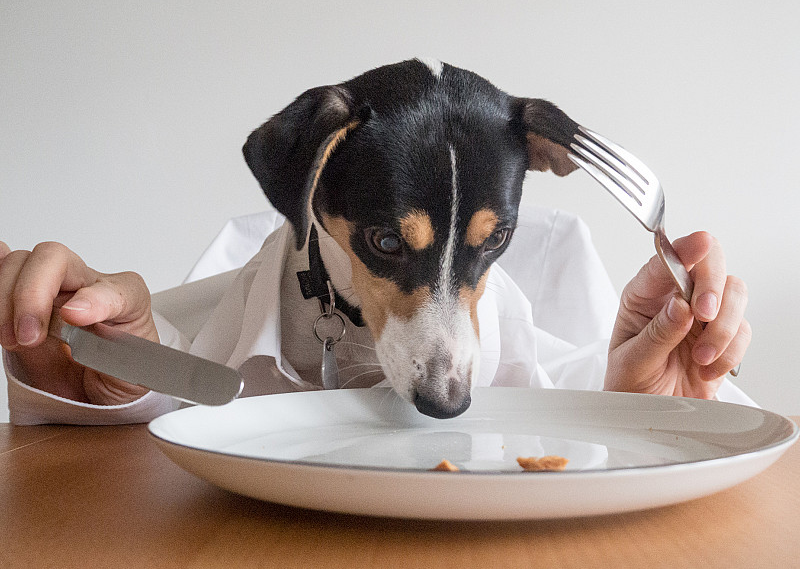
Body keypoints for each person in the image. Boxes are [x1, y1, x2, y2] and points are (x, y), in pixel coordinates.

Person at [0, 204, 752, 425]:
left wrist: (642, 416)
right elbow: (157, 415)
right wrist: (93, 388)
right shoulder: (219, 312)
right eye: (389, 243)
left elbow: (576, 397)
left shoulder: (546, 296)